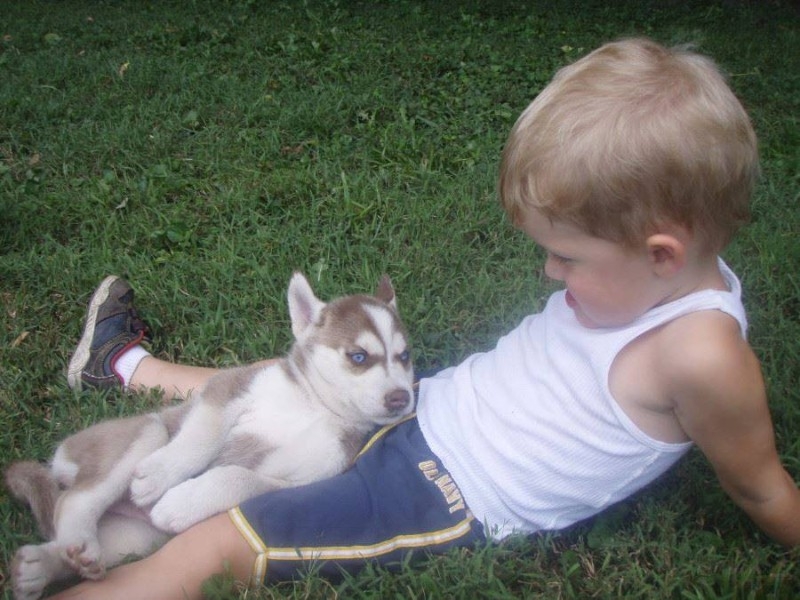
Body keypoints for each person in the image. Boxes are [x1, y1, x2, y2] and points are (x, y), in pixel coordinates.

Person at [49, 38, 799, 600]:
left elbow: (761, 486)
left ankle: (112, 590)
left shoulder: (702, 356)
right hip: (427, 410)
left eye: (566, 258)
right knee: (281, 390)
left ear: (662, 254)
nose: (549, 273)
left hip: (444, 491)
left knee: (225, 537)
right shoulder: (641, 282)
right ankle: (123, 368)